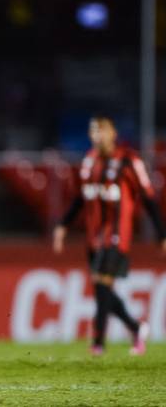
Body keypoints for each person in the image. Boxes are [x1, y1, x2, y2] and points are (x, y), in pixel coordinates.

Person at [53, 115, 166, 356]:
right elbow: (79, 199)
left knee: (103, 282)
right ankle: (136, 328)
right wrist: (63, 225)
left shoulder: (128, 161)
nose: (97, 135)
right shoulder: (89, 162)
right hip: (93, 237)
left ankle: (98, 343)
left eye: (101, 130)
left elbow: (148, 198)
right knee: (101, 288)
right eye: (93, 131)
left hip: (117, 235)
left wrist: (161, 234)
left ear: (113, 133)